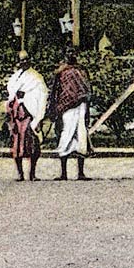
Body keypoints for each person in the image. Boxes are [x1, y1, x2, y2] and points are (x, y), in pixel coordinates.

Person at [47, 48, 93, 180]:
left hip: (80, 107)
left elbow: (88, 90)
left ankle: (81, 173)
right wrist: (55, 107)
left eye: (73, 54)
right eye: (69, 54)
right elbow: (55, 92)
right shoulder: (61, 72)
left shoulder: (82, 71)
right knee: (66, 134)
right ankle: (64, 173)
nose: (71, 56)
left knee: (81, 136)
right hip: (67, 108)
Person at [5, 50, 48, 181]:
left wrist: (38, 116)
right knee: (17, 145)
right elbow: (10, 93)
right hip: (17, 115)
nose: (23, 62)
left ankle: (32, 173)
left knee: (32, 144)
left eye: (26, 59)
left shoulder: (36, 77)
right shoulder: (16, 77)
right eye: (21, 60)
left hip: (30, 114)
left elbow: (42, 95)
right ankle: (20, 173)